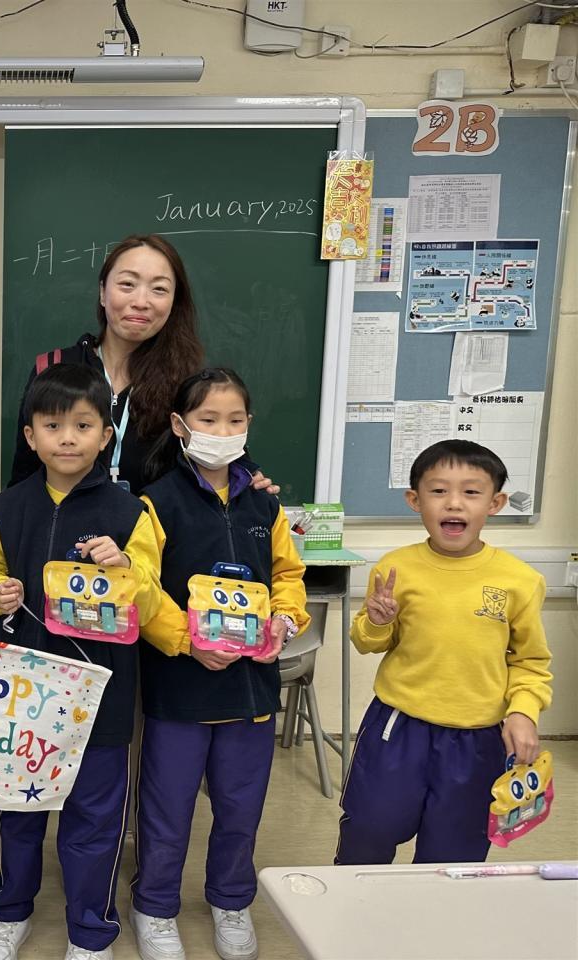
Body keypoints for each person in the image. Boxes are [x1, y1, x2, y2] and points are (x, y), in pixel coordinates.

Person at [0, 363, 162, 960]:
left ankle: (91, 931)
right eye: (53, 426)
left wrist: (124, 571)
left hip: (100, 692)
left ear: (106, 435)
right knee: (17, 810)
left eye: (83, 425)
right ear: (31, 436)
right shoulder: (8, 507)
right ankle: (10, 910)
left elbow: (153, 600)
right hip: (22, 689)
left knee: (94, 816)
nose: (68, 438)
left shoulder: (132, 513)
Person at [130, 368, 308, 960]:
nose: (222, 431)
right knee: (168, 808)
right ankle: (155, 906)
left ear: (249, 424)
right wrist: (187, 639)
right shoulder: (156, 503)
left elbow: (287, 575)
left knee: (240, 806)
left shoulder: (264, 502)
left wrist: (285, 619)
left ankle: (231, 899)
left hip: (249, 690)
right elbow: (141, 588)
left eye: (234, 420)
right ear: (181, 425)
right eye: (208, 419)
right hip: (180, 689)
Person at [336, 440, 552, 866]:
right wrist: (377, 621)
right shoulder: (396, 568)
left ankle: (436, 910)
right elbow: (366, 641)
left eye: (471, 492)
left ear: (495, 503)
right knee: (368, 832)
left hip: (477, 740)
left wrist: (524, 712)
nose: (454, 503)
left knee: (455, 852)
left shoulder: (520, 580)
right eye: (438, 491)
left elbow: (529, 661)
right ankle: (352, 906)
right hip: (397, 728)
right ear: (415, 500)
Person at [8, 234, 278, 497]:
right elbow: (25, 477)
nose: (140, 302)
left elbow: (228, 461)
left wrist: (248, 479)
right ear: (102, 292)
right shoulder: (52, 368)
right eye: (127, 284)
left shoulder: (191, 382)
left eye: (159, 289)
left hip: (159, 526)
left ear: (174, 302)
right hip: (70, 527)